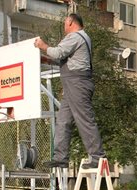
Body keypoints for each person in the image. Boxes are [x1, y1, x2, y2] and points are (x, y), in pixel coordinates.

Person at [35, 13, 106, 169]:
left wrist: (43, 46)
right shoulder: (82, 38)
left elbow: (58, 52)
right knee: (63, 121)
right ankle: (61, 158)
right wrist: (47, 59)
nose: (64, 27)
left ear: (71, 23)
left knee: (84, 119)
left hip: (77, 84)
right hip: (73, 85)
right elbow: (65, 58)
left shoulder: (75, 36)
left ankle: (97, 157)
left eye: (64, 24)